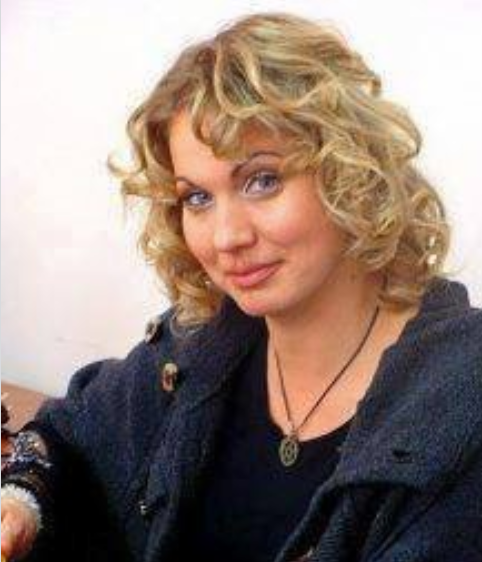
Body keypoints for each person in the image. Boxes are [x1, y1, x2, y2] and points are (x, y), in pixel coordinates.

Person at [2, 11, 481, 562]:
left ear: (350, 171)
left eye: (262, 180)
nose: (226, 237)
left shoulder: (462, 402)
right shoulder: (201, 343)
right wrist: (19, 504)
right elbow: (68, 433)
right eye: (197, 198)